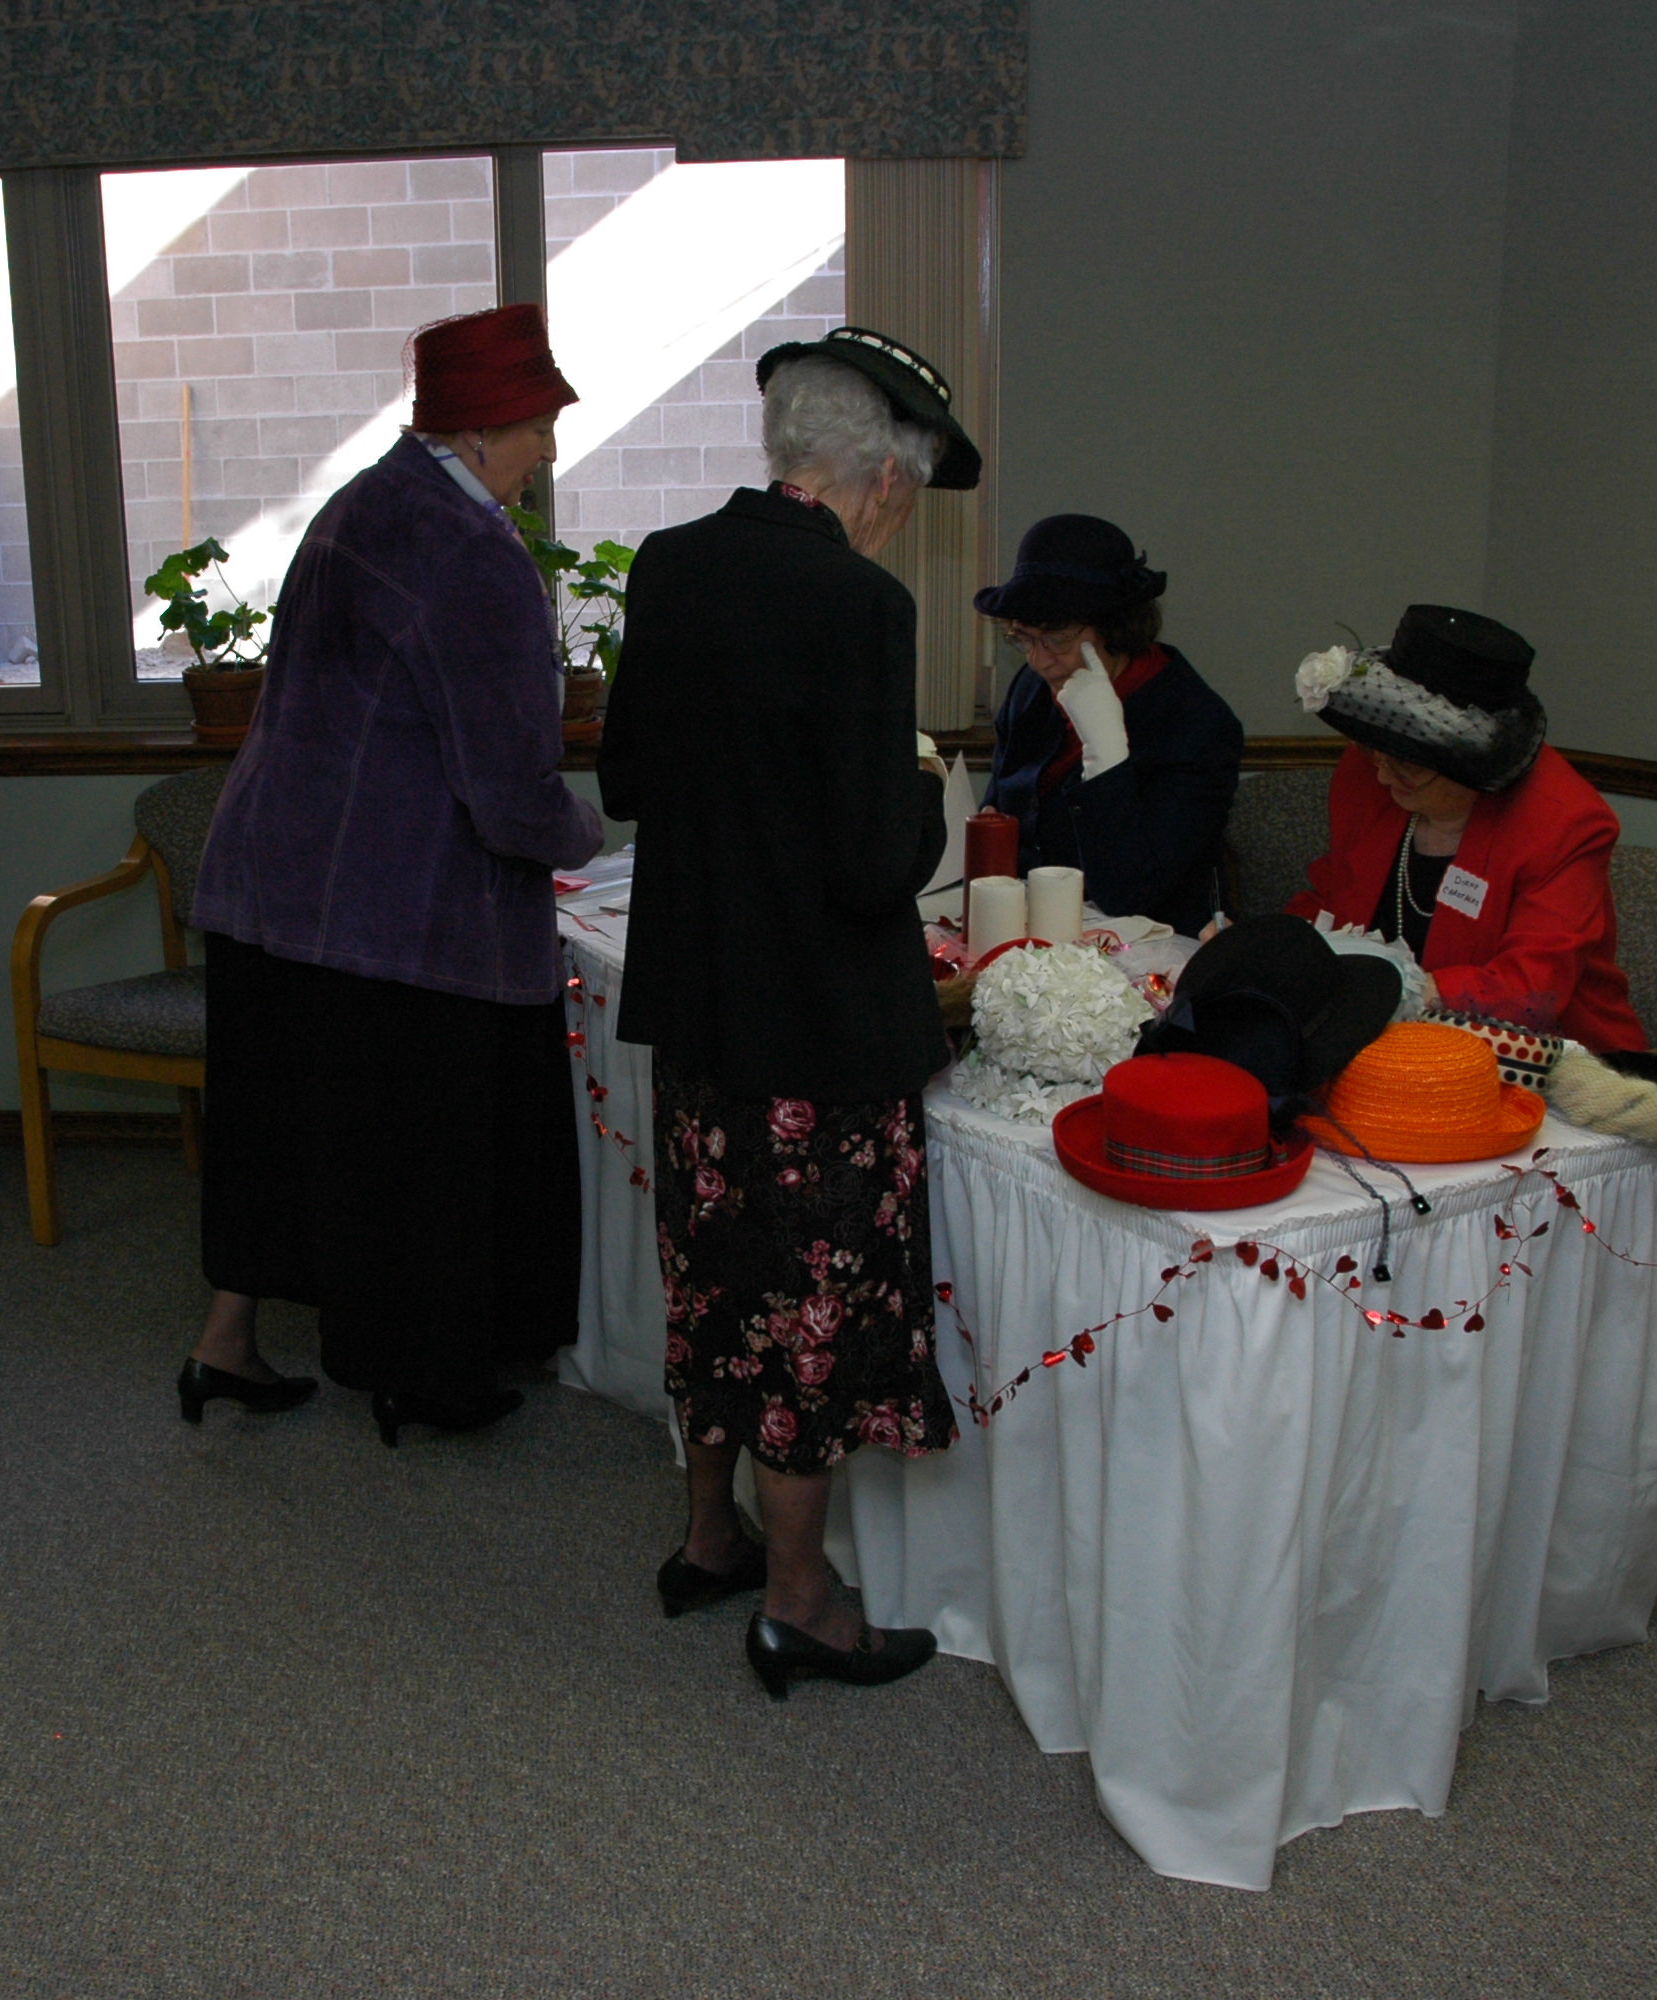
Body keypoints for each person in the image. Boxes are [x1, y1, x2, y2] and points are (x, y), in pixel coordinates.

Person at [596, 325, 974, 1699]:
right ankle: (801, 1601)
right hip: (820, 1027)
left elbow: (625, 779)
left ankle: (711, 1538)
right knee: (809, 1308)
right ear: (885, 478)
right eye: (908, 498)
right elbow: (877, 862)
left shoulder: (670, 563)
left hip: (700, 1009)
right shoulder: (859, 604)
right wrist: (920, 778)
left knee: (716, 1282)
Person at [185, 303, 604, 1443]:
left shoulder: (363, 502)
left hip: (270, 882)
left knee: (279, 1135)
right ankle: (419, 1379)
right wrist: (589, 835)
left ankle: (224, 1343)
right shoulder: (471, 551)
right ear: (477, 430)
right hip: (385, 908)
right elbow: (508, 791)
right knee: (417, 1155)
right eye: (538, 426)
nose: (547, 452)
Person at [1285, 605, 1647, 1049]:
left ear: (1470, 765)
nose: (1381, 773)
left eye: (1407, 763)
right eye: (1376, 750)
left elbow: (1528, 991)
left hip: (1539, 1060)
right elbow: (1334, 897)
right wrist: (1268, 947)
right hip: (1385, 1042)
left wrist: (1386, 991)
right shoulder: (1367, 772)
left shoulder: (1565, 823)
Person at [977, 514, 1240, 935]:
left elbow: (1129, 891)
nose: (1038, 660)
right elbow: (1001, 816)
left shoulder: (1196, 725)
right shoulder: (1030, 689)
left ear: (1116, 628)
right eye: (1023, 637)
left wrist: (1105, 752)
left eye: (1057, 638)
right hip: (1033, 935)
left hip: (1150, 943)